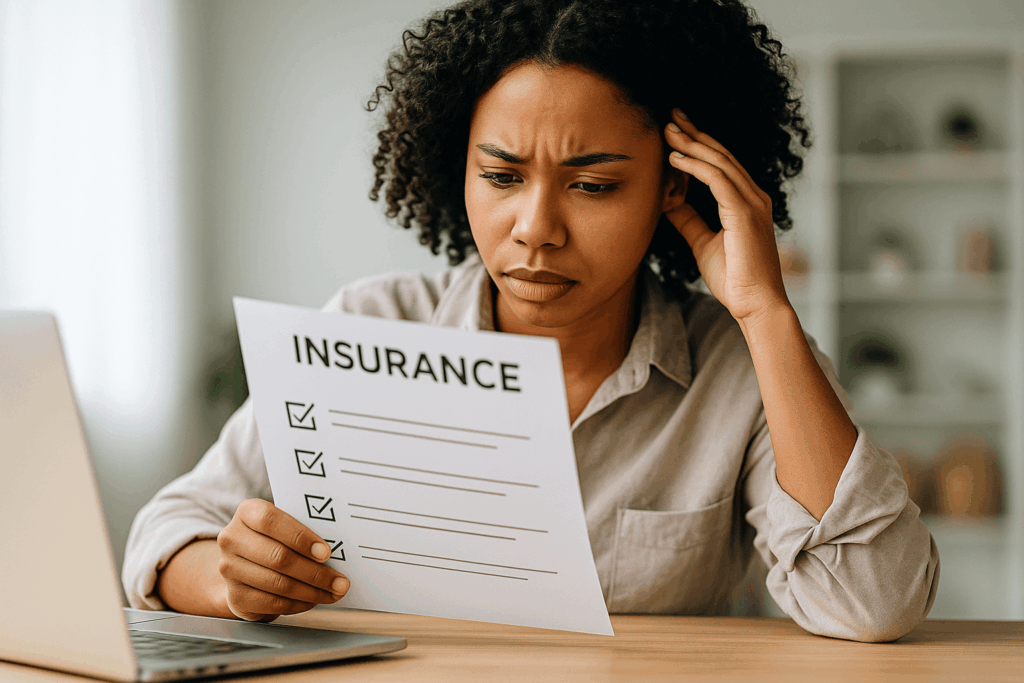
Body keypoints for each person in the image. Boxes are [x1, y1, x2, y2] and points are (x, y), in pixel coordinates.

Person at [123, 0, 940, 643]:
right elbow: (166, 533)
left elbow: (871, 601)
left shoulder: (741, 366)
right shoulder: (368, 328)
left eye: (593, 185)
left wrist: (765, 312)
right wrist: (229, 579)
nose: (536, 227)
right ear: (460, 170)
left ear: (673, 187)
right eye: (503, 176)